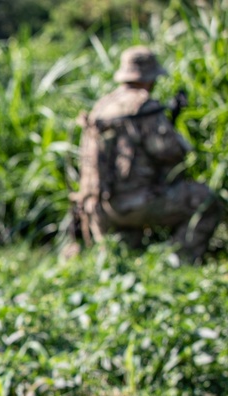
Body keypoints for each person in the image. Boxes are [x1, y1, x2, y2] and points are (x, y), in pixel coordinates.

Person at [71, 46, 222, 263]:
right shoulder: (144, 107)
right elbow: (172, 153)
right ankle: (177, 262)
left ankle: (123, 257)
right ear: (150, 78)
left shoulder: (102, 105)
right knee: (207, 201)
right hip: (136, 204)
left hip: (98, 208)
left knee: (125, 253)